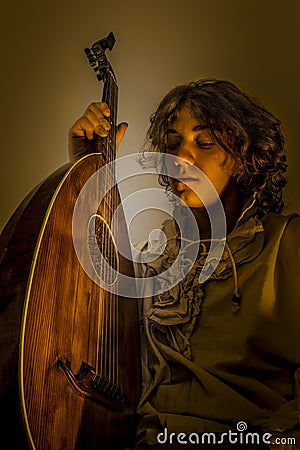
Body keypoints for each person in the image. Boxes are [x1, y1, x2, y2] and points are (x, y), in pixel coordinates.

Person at [69, 79, 300, 449]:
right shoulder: (154, 259)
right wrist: (86, 168)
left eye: (204, 142)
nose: (181, 158)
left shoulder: (284, 244)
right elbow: (85, 312)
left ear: (245, 154)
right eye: (173, 144)